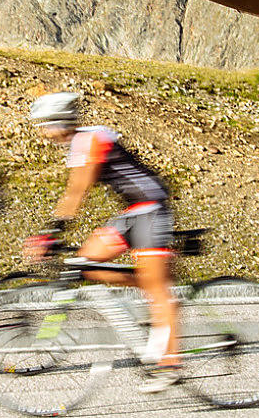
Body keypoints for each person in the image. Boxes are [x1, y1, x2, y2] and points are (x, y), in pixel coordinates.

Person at [25, 91, 183, 393]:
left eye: (46, 126)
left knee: (157, 292)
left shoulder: (90, 139)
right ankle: (153, 285)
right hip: (131, 213)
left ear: (61, 122)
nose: (44, 134)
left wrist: (51, 233)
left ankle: (170, 366)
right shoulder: (78, 144)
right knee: (81, 265)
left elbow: (78, 190)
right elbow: (74, 190)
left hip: (152, 209)